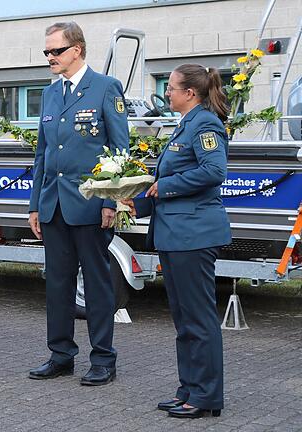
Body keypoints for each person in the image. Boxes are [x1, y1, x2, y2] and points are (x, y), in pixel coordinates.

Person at [126, 64, 231, 418]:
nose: (165, 93)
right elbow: (170, 178)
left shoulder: (205, 124)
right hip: (176, 235)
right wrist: (136, 200)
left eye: (170, 88)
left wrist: (166, 186)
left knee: (198, 319)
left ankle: (205, 396)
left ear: (190, 93)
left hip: (193, 235)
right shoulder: (184, 125)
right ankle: (189, 388)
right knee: (184, 319)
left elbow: (213, 171)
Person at [27, 22, 129, 385]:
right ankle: (61, 355)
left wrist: (110, 201)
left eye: (55, 51)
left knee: (99, 285)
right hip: (53, 204)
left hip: (90, 205)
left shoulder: (104, 88)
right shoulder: (50, 94)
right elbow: (43, 153)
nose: (50, 58)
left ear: (77, 50)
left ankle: (103, 359)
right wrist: (34, 204)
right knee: (57, 283)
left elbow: (119, 149)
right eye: (47, 52)